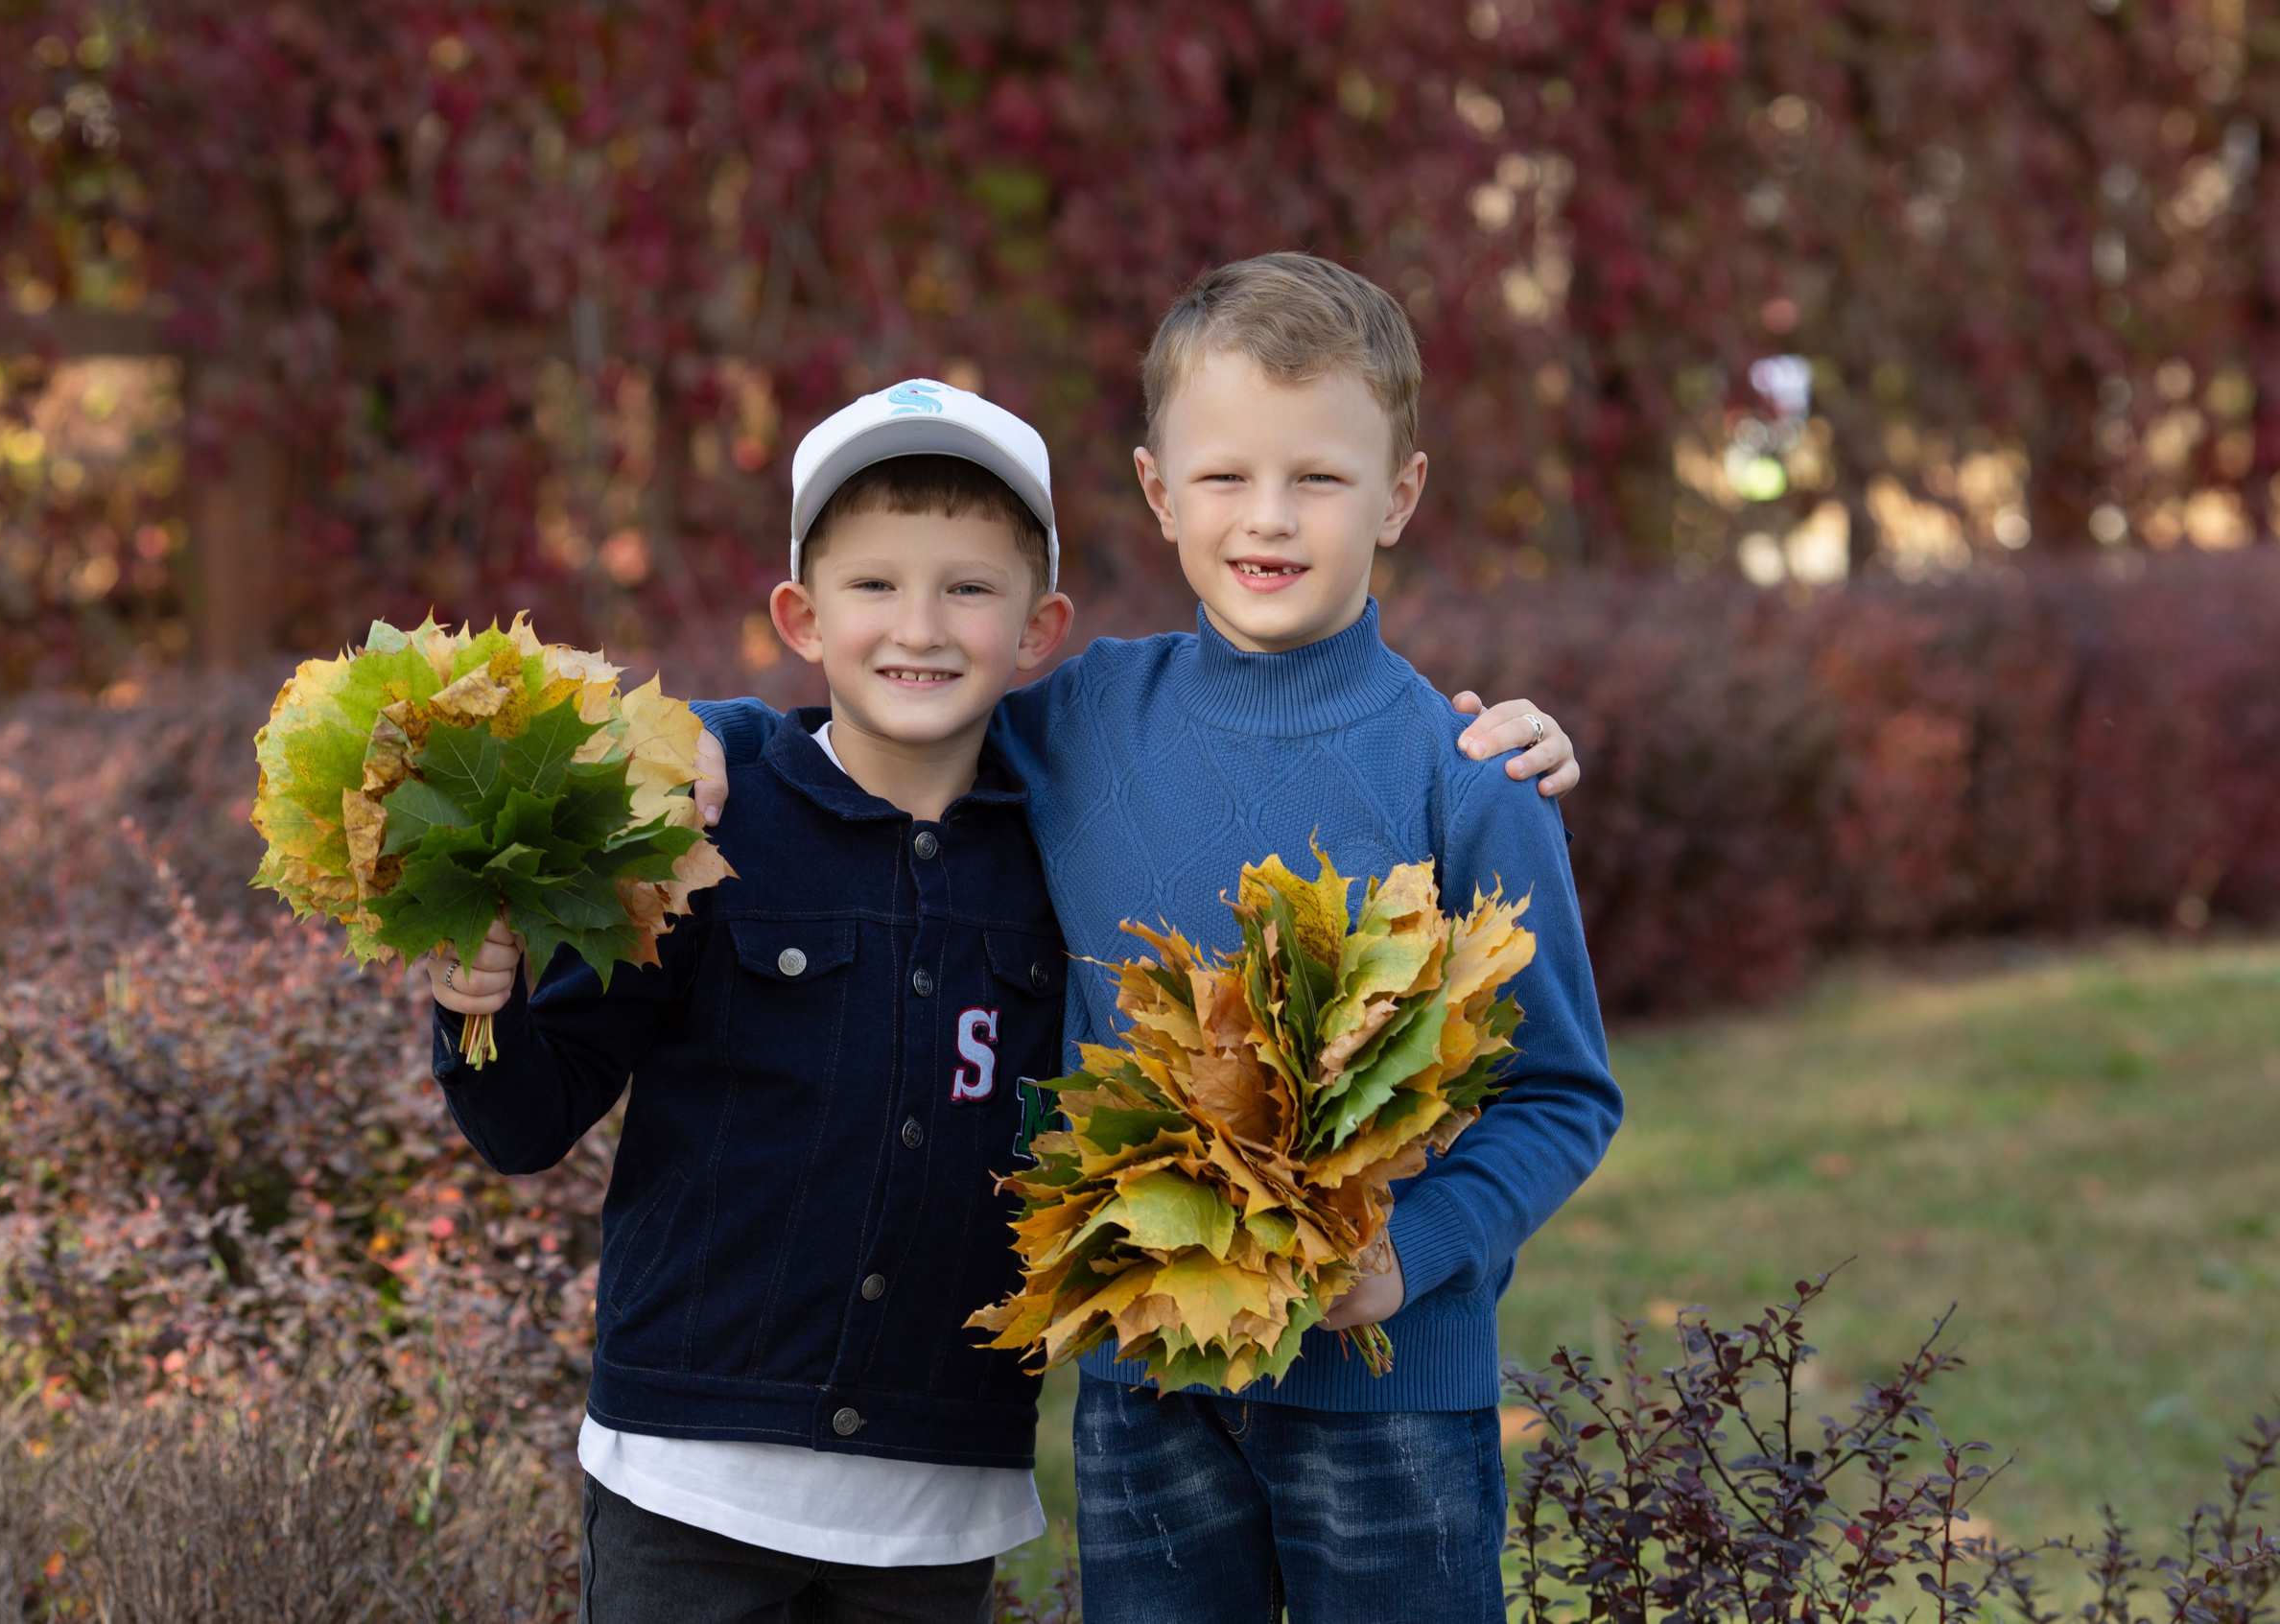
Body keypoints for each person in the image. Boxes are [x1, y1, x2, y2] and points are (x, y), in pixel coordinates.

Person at [693, 255, 1619, 1624]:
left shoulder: (1468, 774)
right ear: (1157, 491)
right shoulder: (1079, 723)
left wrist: (1413, 1254)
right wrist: (713, 738)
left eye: (1319, 478)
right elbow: (881, 720)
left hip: (1388, 1391)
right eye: (1228, 475)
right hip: (1147, 1381)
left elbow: (1559, 1092)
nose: (1269, 517)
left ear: (1400, 497)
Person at [426, 383, 1080, 1623]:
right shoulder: (704, 818)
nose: (920, 625)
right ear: (801, 616)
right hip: (689, 1492)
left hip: (935, 1507)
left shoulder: (1061, 850)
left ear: (1039, 627)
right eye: (874, 584)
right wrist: (478, 1007)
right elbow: (526, 1117)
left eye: (970, 587)